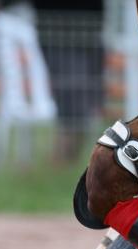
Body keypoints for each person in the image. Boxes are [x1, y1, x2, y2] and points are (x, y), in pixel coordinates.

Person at [35, 0, 105, 163]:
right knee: (73, 105)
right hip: (58, 30)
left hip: (91, 27)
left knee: (85, 104)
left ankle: (70, 161)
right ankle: (61, 161)